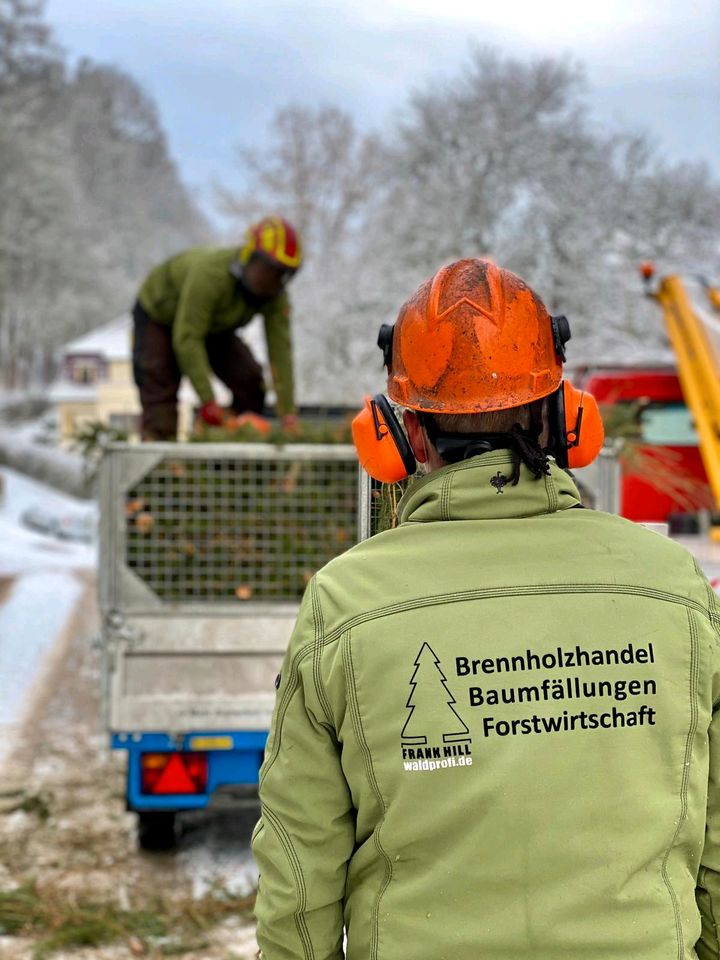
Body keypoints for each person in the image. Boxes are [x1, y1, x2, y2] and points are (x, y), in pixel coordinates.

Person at [251, 257, 720, 960]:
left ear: (395, 434)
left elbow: (300, 866)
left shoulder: (345, 602)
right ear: (567, 417)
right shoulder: (674, 587)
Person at [132, 216, 302, 440]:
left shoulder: (274, 296)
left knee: (250, 382)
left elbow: (280, 353)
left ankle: (231, 442)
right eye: (267, 270)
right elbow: (188, 337)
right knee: (161, 386)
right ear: (249, 258)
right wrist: (208, 400)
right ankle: (161, 463)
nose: (271, 281)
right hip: (160, 316)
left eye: (282, 274)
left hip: (214, 326)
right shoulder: (211, 275)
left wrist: (288, 413)